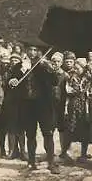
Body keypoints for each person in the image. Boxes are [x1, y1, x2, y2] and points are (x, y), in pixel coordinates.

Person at [8, 44, 60, 174]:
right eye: (30, 50)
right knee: (30, 134)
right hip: (27, 105)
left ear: (39, 52)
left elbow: (55, 81)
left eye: (35, 50)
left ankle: (51, 163)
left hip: (43, 105)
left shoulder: (43, 66)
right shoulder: (19, 66)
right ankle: (31, 163)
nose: (32, 52)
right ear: (26, 51)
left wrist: (49, 67)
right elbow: (10, 82)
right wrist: (16, 77)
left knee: (47, 133)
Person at [61, 63, 90, 164]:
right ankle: (65, 152)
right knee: (70, 129)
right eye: (75, 68)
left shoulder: (87, 78)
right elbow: (68, 91)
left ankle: (83, 154)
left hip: (84, 106)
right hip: (73, 106)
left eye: (78, 68)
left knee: (85, 130)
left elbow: (88, 92)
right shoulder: (71, 78)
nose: (76, 70)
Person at [5, 53, 27, 160]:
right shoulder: (8, 72)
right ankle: (12, 151)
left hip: (22, 102)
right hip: (11, 102)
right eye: (12, 60)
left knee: (21, 126)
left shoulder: (24, 71)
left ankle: (23, 151)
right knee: (12, 127)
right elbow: (5, 83)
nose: (14, 62)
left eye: (16, 60)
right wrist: (9, 81)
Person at [50, 52, 68, 162]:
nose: (56, 63)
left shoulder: (65, 75)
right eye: (54, 62)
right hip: (50, 105)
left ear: (61, 63)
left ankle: (64, 151)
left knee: (62, 129)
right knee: (50, 129)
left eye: (58, 62)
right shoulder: (48, 73)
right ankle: (50, 152)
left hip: (61, 104)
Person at [0, 54, 12, 158]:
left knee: (11, 127)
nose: (5, 65)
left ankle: (12, 150)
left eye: (7, 63)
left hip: (10, 102)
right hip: (0, 102)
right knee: (1, 128)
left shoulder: (12, 73)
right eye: (3, 63)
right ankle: (2, 150)